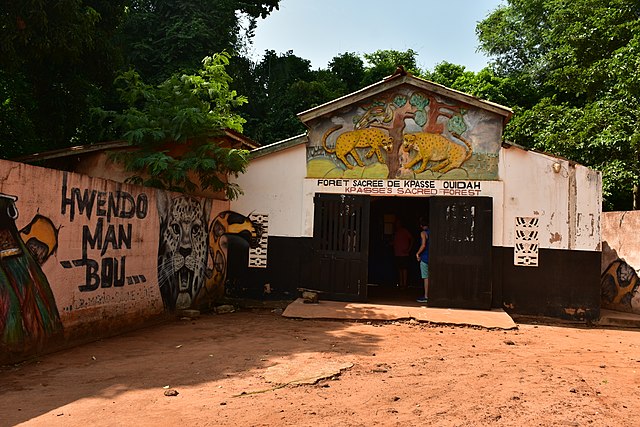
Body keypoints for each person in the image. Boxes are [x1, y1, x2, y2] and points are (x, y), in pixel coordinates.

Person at [392, 218, 413, 289]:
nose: (397, 225)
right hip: (397, 253)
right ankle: (401, 284)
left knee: (404, 269)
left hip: (404, 254)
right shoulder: (396, 232)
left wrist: (409, 249)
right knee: (399, 269)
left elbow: (412, 239)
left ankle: (405, 284)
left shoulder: (405, 231)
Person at [415, 218, 430, 303]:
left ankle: (426, 296)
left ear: (421, 226)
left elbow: (423, 245)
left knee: (426, 277)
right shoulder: (432, 232)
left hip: (425, 257)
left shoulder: (423, 233)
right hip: (432, 257)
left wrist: (418, 253)